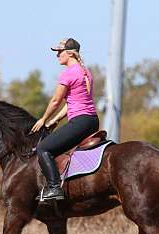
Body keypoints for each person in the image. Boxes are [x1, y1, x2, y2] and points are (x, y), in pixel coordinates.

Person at [31, 38, 99, 201]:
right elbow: (71, 103)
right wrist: (55, 120)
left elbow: (56, 100)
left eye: (59, 52)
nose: (57, 56)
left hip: (80, 121)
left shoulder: (68, 73)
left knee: (43, 149)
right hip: (91, 121)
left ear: (69, 53)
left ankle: (54, 187)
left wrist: (43, 119)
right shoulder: (85, 72)